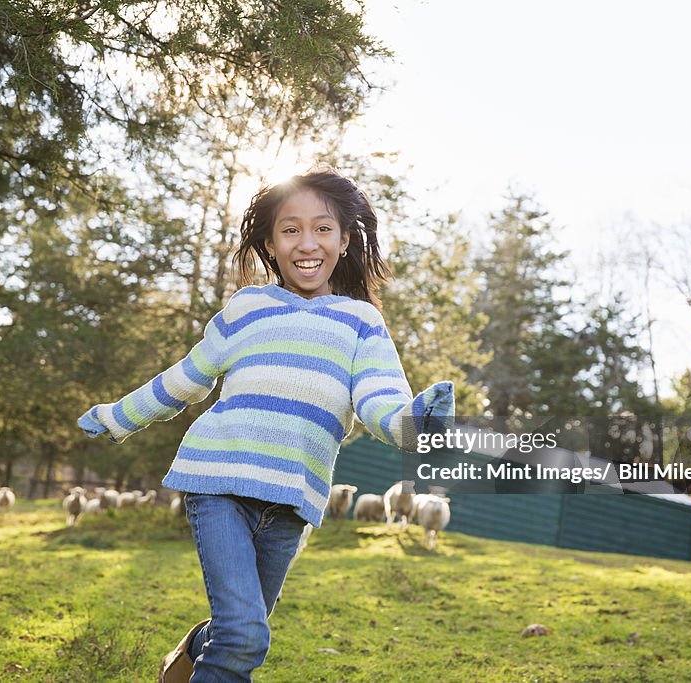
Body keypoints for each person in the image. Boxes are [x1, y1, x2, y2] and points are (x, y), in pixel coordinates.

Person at [78, 167, 455, 682]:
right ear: (271, 244)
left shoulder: (361, 321)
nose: (308, 243)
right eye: (290, 229)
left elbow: (379, 400)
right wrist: (115, 416)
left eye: (323, 228)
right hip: (219, 484)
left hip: (291, 503)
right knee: (246, 636)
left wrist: (416, 422)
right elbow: (186, 379)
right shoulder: (246, 307)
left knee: (237, 628)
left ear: (345, 240)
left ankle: (191, 649)